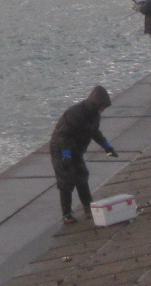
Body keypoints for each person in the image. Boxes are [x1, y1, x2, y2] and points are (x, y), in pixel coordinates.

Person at [49, 85, 117, 225]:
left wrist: (107, 147)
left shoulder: (94, 116)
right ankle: (67, 213)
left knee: (81, 175)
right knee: (66, 181)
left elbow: (95, 132)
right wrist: (66, 155)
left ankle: (88, 205)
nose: (102, 110)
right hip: (60, 149)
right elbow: (63, 136)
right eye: (101, 107)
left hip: (76, 150)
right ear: (94, 104)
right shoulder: (74, 114)